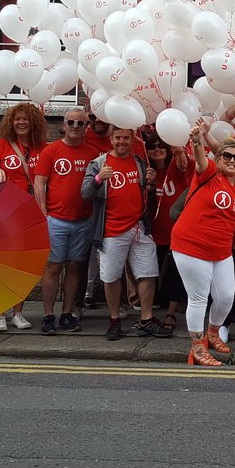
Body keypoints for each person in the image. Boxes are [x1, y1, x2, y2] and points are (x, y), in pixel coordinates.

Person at [81, 128, 171, 341]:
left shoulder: (140, 162)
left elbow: (146, 195)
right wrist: (98, 180)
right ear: (111, 139)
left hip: (139, 227)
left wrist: (151, 185)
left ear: (132, 139)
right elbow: (84, 193)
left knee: (148, 273)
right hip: (111, 230)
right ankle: (114, 320)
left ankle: (146, 318)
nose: (122, 141)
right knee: (111, 277)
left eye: (126, 138)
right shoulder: (98, 164)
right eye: (118, 138)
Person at [171, 128, 235, 366]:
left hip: (221, 251)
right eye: (227, 156)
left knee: (226, 296)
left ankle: (213, 332)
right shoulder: (210, 174)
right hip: (191, 245)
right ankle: (197, 347)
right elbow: (201, 159)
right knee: (198, 298)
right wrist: (197, 141)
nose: (232, 160)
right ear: (219, 158)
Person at [0, 102, 47, 332]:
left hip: (30, 214)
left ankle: (18, 313)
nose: (21, 122)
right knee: (2, 265)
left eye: (25, 119)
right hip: (3, 214)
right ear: (11, 122)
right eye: (17, 118)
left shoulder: (42, 148)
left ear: (33, 123)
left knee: (21, 266)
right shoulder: (1, 145)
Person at [33, 107, 98, 335]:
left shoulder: (93, 153)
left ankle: (67, 313)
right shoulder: (51, 150)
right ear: (64, 123)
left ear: (86, 127)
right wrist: (43, 213)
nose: (75, 127)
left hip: (83, 219)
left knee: (74, 267)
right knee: (53, 267)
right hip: (56, 219)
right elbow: (39, 182)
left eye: (80, 123)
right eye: (71, 122)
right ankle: (49, 315)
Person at [146, 135, 191, 335]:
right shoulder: (146, 172)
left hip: (175, 231)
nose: (157, 149)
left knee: (174, 272)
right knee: (152, 273)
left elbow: (184, 165)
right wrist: (148, 186)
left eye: (161, 146)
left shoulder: (176, 166)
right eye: (152, 146)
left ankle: (171, 312)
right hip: (152, 232)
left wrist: (180, 153)